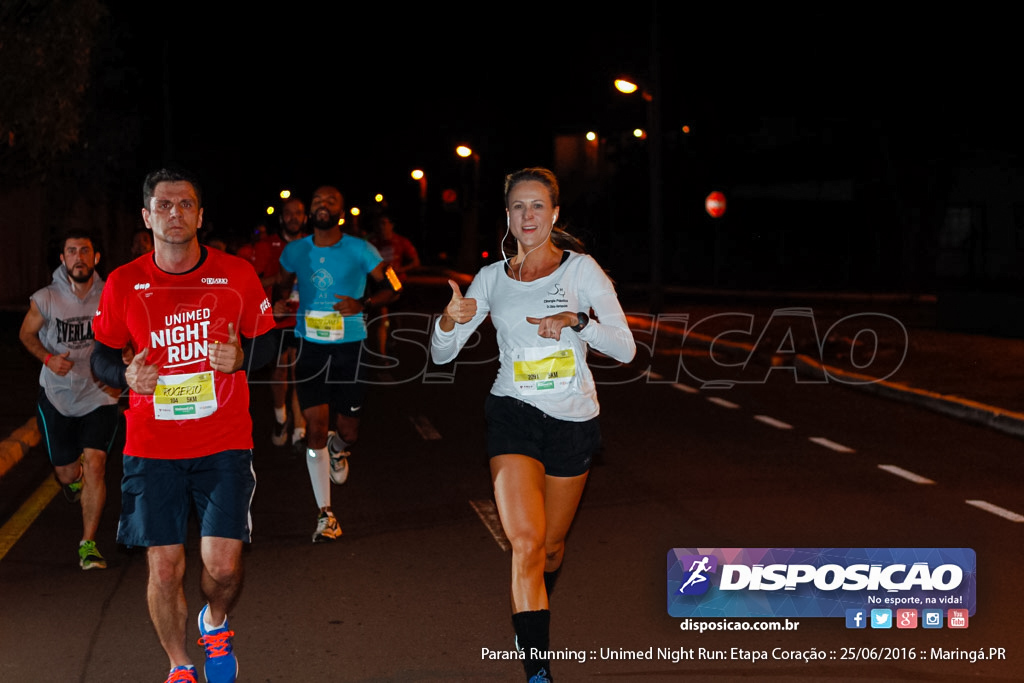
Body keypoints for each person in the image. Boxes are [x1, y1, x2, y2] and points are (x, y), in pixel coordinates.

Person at [430, 167, 636, 683]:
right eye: (519, 206)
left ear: (555, 214)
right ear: (508, 215)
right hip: (513, 413)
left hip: (572, 420)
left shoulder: (582, 271)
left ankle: (537, 597)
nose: (528, 215)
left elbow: (625, 348)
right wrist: (451, 320)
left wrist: (577, 320)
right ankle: (538, 672)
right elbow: (440, 355)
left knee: (548, 547)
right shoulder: (492, 278)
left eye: (538, 206)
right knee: (525, 540)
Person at [90, 167, 276, 683]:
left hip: (223, 443)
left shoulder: (236, 274)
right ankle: (179, 666)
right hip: (151, 446)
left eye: (186, 204)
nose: (176, 213)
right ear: (147, 216)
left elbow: (271, 342)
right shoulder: (124, 281)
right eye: (164, 205)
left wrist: (241, 358)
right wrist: (125, 374)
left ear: (200, 214)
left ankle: (214, 620)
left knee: (221, 568)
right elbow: (101, 358)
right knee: (165, 567)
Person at [276, 185, 399, 543]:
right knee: (315, 428)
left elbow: (394, 284)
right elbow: (280, 288)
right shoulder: (295, 251)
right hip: (311, 349)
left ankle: (338, 450)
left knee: (348, 431)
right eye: (316, 202)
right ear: (310, 213)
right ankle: (325, 515)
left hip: (350, 349)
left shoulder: (361, 249)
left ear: (341, 212)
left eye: (330, 202)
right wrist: (282, 302)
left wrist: (366, 302)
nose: (322, 206)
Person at [18, 230, 121, 571]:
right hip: (58, 396)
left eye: (85, 251)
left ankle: (88, 544)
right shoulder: (45, 298)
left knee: (96, 464)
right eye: (72, 251)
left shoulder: (111, 295)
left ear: (96, 258)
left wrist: (120, 380)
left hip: (99, 395)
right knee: (66, 472)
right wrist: (48, 359)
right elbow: (26, 334)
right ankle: (70, 479)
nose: (79, 257)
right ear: (62, 259)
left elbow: (130, 338)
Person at [239, 197, 309, 450]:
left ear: (305, 218)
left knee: (300, 373)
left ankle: (300, 429)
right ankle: (281, 418)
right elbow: (251, 284)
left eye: (298, 213)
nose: (293, 218)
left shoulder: (313, 244)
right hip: (276, 319)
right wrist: (278, 279)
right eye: (288, 214)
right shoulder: (268, 246)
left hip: (306, 320)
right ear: (281, 218)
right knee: (280, 372)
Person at [367, 211, 420, 356]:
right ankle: (381, 353)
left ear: (391, 225)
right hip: (379, 284)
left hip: (397, 283)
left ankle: (392, 339)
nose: (382, 227)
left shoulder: (401, 241)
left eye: (385, 223)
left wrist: (400, 269)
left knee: (395, 318)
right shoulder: (372, 242)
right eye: (379, 224)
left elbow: (415, 262)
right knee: (382, 317)